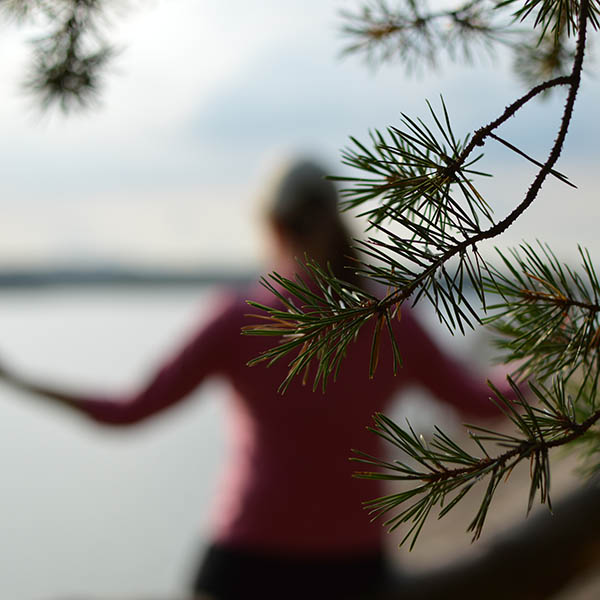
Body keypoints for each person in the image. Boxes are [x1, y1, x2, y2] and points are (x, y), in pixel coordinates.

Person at [0, 160, 556, 599]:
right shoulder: (389, 320)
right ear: (337, 218)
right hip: (351, 567)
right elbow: (481, 403)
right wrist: (549, 354)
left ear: (269, 225)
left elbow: (129, 412)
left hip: (247, 564)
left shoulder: (239, 317)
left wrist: (23, 383)